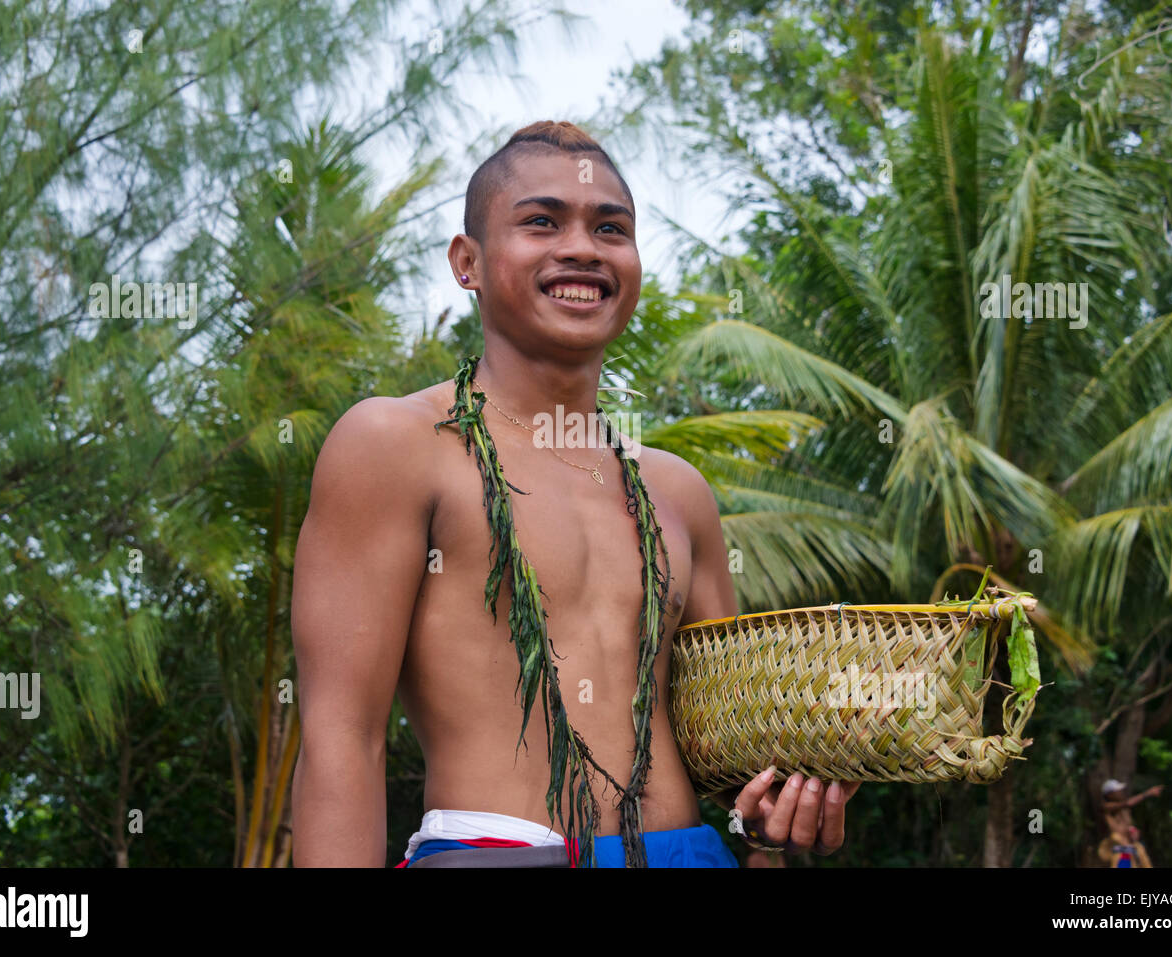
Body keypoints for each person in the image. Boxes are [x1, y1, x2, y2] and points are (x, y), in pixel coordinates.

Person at [289, 120, 861, 867]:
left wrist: (776, 823)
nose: (584, 247)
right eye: (541, 221)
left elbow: (736, 762)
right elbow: (343, 738)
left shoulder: (678, 493)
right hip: (499, 855)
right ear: (468, 261)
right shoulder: (395, 446)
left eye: (611, 228)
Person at [1097, 779, 1163, 868]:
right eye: (1118, 790)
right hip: (1119, 849)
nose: (1121, 792)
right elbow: (1128, 803)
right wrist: (1148, 793)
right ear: (1110, 794)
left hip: (1131, 847)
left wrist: (1133, 832)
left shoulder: (1124, 810)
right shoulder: (1106, 807)